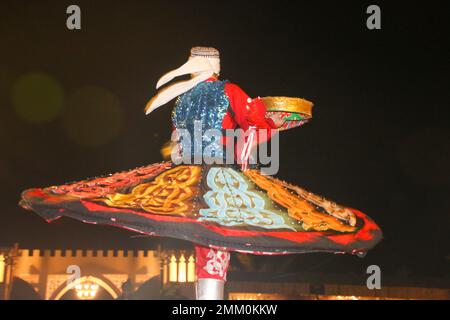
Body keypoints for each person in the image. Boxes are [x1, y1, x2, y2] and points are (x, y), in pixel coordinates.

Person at [20, 47, 382, 300]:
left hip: (183, 176)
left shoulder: (184, 97)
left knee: (205, 236)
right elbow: (254, 116)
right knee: (217, 237)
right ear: (217, 69)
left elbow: (177, 140)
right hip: (221, 175)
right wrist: (276, 118)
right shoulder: (228, 90)